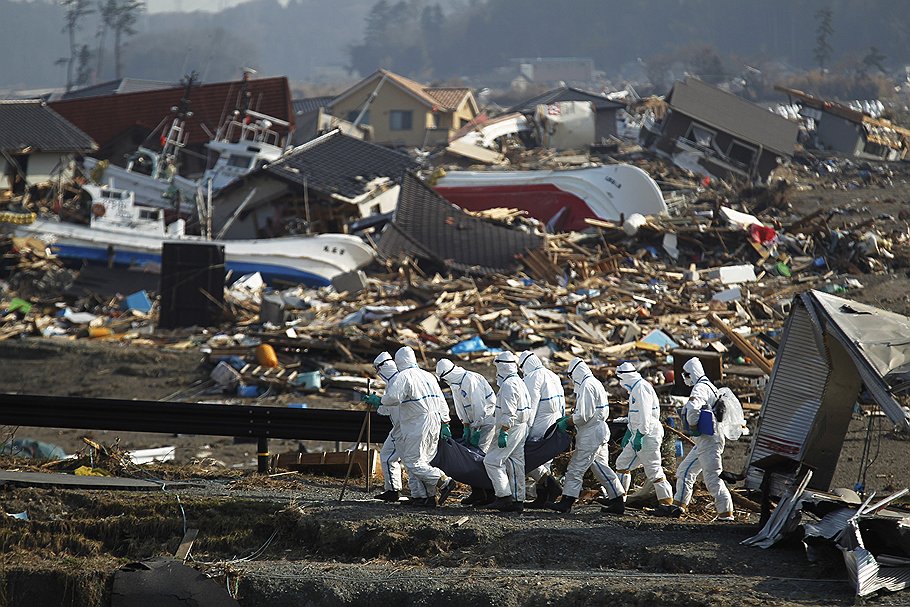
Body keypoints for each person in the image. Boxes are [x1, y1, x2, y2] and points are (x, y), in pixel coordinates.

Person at [379, 346, 456, 508]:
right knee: (424, 461)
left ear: (399, 362)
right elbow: (441, 400)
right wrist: (445, 421)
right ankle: (425, 497)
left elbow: (393, 397)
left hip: (417, 423)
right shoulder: (428, 375)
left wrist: (380, 401)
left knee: (413, 461)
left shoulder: (404, 376)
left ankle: (443, 481)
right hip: (434, 421)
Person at [549, 357, 625, 514]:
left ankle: (566, 502)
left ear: (575, 372)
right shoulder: (594, 382)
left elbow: (584, 415)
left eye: (570, 375)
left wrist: (568, 421)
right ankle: (618, 500)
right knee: (601, 468)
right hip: (599, 431)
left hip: (591, 434)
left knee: (575, 468)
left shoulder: (586, 386)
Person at [671, 357, 735, 521]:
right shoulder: (711, 387)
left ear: (691, 374)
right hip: (708, 440)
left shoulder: (699, 388)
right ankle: (679, 505)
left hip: (708, 440)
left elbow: (693, 408)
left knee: (712, 477)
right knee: (685, 471)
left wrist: (692, 427)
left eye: (686, 375)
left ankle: (726, 513)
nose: (685, 379)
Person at [612, 361, 675, 515]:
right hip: (637, 433)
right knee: (622, 463)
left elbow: (646, 415)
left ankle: (667, 504)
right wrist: (630, 432)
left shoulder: (641, 388)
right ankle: (619, 500)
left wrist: (640, 434)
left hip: (647, 434)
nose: (620, 383)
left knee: (653, 469)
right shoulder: (635, 389)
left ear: (625, 376)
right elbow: (635, 415)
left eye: (620, 378)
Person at [435, 358, 496, 505]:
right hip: (475, 424)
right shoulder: (457, 384)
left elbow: (479, 408)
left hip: (486, 422)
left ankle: (490, 494)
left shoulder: (469, 380)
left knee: (479, 458)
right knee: (471, 458)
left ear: (447, 374)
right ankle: (478, 493)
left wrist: (476, 428)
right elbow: (461, 408)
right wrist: (467, 426)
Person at [483, 351, 533, 513]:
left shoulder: (509, 385)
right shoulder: (519, 382)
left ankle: (504, 497)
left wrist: (504, 431)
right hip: (521, 427)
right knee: (516, 463)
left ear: (502, 366)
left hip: (511, 428)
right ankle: (518, 500)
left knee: (492, 461)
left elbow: (509, 412)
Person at [518, 351, 566, 508]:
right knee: (545, 459)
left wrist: (526, 428)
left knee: (528, 456)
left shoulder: (533, 377)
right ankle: (543, 497)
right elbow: (563, 403)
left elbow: (530, 406)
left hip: (539, 423)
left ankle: (552, 485)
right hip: (555, 422)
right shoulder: (553, 375)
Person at [371, 351, 403, 502]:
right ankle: (393, 490)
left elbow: (393, 402)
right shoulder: (392, 382)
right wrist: (377, 404)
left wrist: (379, 401)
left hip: (403, 427)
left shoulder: (397, 381)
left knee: (389, 456)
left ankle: (393, 491)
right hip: (401, 426)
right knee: (396, 458)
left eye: (378, 369)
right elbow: (387, 409)